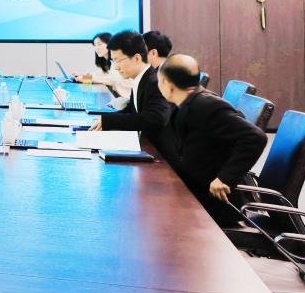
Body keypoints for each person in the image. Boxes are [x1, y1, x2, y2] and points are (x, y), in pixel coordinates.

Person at [158, 54, 266, 226]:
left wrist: (225, 178)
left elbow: (255, 137)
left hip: (211, 201)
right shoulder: (185, 103)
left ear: (168, 85)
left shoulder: (207, 105)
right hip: (192, 188)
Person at [90, 30, 175, 156]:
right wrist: (105, 120)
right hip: (146, 147)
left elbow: (156, 118)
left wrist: (111, 120)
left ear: (137, 58)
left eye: (118, 61)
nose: (116, 67)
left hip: (160, 155)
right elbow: (133, 109)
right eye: (113, 61)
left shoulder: (154, 82)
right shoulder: (140, 78)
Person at [74, 31, 132, 98]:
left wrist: (87, 78)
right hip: (120, 98)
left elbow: (112, 80)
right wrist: (82, 74)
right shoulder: (108, 62)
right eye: (95, 45)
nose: (96, 48)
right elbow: (101, 74)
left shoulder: (117, 60)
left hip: (127, 99)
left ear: (109, 44)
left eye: (99, 44)